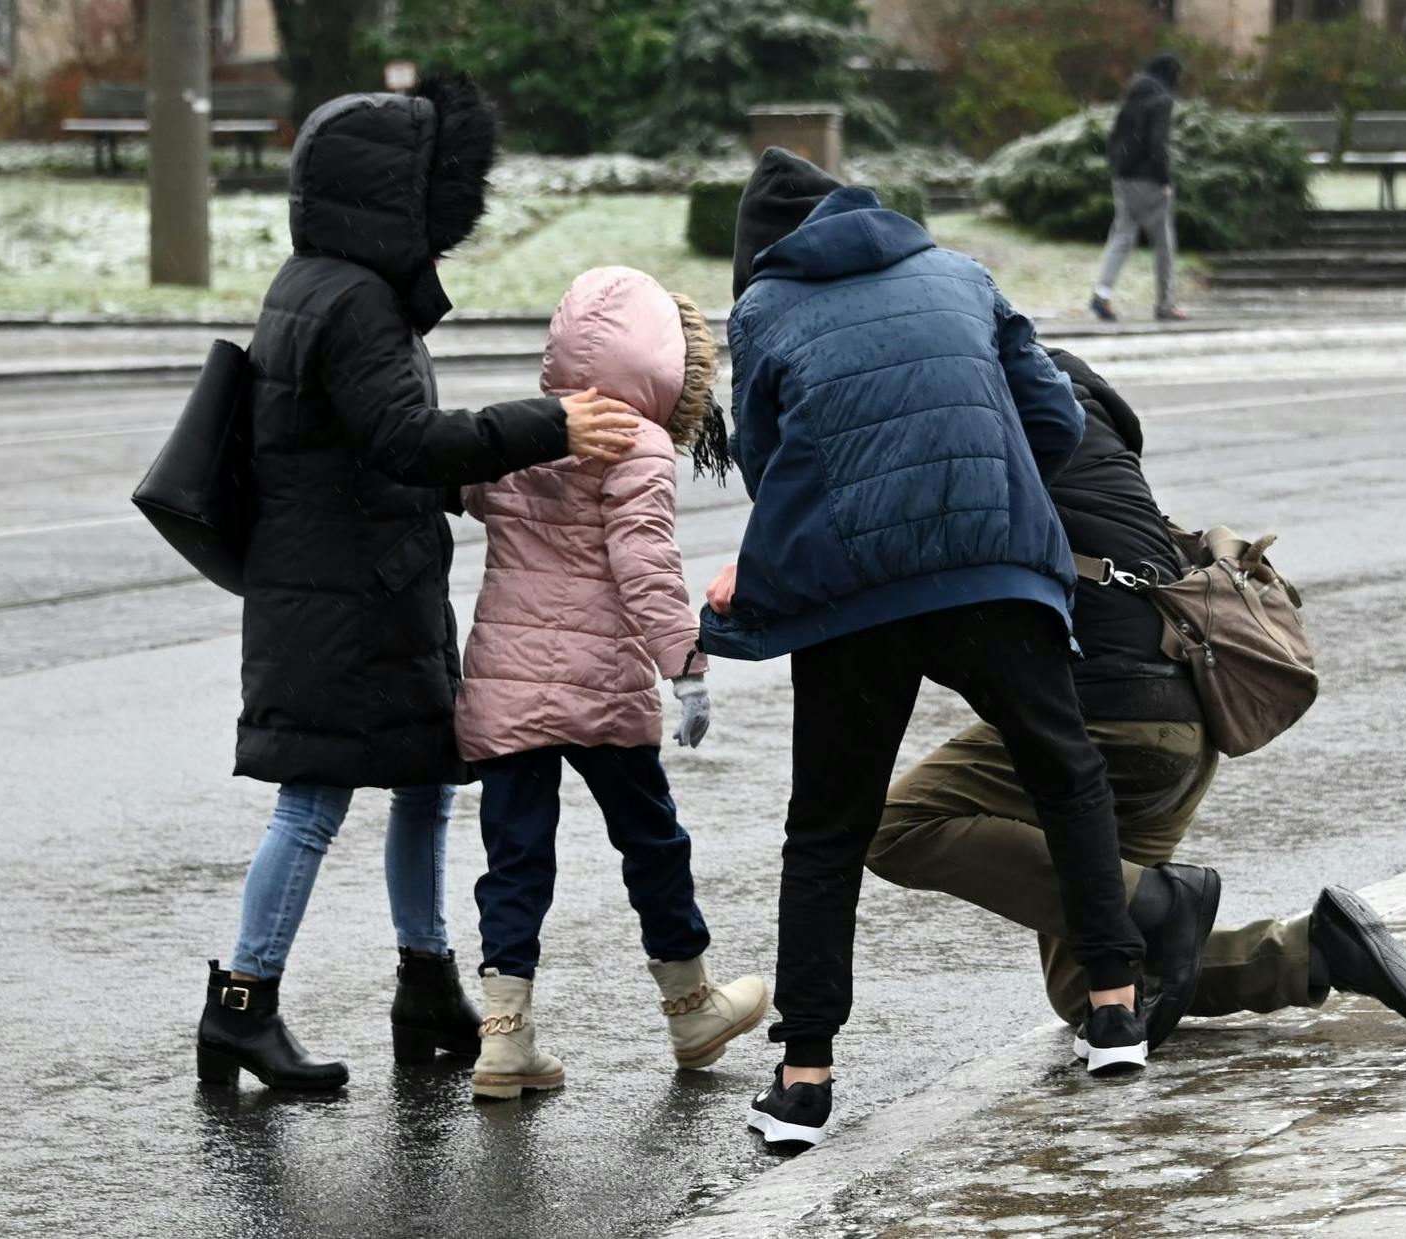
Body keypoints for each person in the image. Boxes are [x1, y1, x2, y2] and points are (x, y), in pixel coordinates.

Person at [704, 148, 1178, 1153]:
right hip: (990, 569)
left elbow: (762, 462)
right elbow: (1051, 416)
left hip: (856, 593)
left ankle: (803, 1081)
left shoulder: (763, 314)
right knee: (1064, 770)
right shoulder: (960, 273)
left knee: (827, 827)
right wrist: (974, 492)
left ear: (756, 257)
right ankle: (1113, 1010)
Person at [196, 75, 643, 1093]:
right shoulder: (352, 302)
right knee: (311, 803)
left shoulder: (320, 282)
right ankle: (241, 1007)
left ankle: (425, 986)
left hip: (362, 586)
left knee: (426, 785)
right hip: (341, 599)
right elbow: (407, 441)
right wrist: (551, 427)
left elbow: (356, 445)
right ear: (392, 196)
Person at [868, 349, 1406, 1057]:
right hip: (1185, 716)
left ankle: (1160, 902)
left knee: (895, 825)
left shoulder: (960, 417)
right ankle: (1312, 951)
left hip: (1105, 723)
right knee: (1092, 989)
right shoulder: (1076, 401)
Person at [455, 267, 766, 1101]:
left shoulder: (520, 431)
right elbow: (645, 566)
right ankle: (690, 1005)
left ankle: (505, 1038)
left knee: (514, 858)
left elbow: (451, 481)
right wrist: (687, 667)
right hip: (601, 691)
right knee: (651, 843)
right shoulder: (640, 442)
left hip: (507, 687)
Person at [1091, 53, 1186, 324]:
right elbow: (1158, 144)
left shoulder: (1133, 96)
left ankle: (1102, 293)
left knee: (1122, 237)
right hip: (1148, 180)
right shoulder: (1162, 100)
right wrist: (1165, 178)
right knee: (1164, 243)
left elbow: (1113, 137)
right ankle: (1165, 304)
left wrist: (1118, 167)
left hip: (1123, 178)